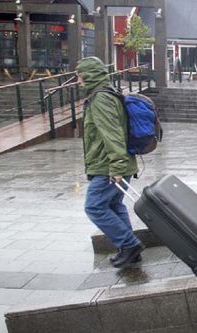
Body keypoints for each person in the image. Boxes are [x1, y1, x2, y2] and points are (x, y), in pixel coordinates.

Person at [77, 56, 145, 268]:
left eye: (79, 76)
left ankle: (129, 244)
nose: (78, 81)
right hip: (113, 163)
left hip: (109, 165)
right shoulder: (106, 95)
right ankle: (129, 250)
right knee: (114, 204)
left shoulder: (101, 99)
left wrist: (116, 166)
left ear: (89, 75)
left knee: (94, 206)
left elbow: (112, 134)